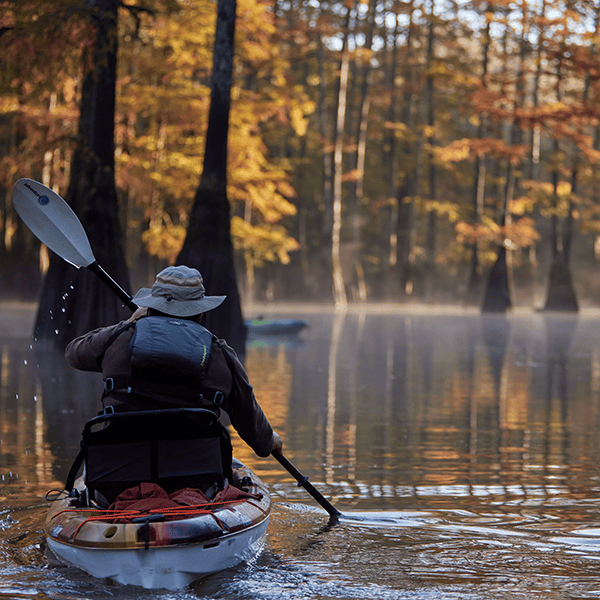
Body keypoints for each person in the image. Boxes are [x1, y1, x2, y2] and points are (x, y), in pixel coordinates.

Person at [65, 265, 282, 463]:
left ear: (151, 305)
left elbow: (74, 353)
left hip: (117, 476)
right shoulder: (221, 356)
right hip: (197, 480)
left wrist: (128, 324)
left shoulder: (119, 340)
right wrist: (271, 440)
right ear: (200, 311)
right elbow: (258, 437)